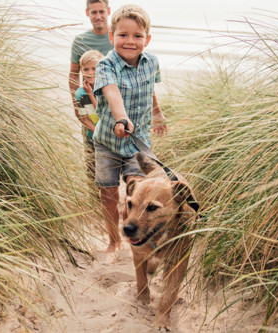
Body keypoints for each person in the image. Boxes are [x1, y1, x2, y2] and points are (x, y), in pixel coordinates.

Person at [92, 4, 167, 252]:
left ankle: (137, 229)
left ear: (147, 39)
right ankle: (113, 241)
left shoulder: (152, 62)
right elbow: (112, 92)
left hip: (139, 140)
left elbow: (150, 90)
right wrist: (121, 118)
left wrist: (157, 113)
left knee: (139, 187)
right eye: (123, 35)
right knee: (109, 192)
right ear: (112, 36)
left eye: (137, 36)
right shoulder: (105, 65)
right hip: (108, 141)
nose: (130, 41)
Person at [69, 0, 113, 185]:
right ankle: (95, 203)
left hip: (112, 106)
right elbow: (73, 74)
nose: (98, 16)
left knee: (115, 161)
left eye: (101, 11)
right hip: (87, 103)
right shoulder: (80, 41)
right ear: (87, 13)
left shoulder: (116, 37)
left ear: (108, 11)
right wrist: (77, 106)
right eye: (93, 12)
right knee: (92, 159)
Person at [75, 49, 104, 181]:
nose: (90, 72)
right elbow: (84, 118)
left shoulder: (106, 88)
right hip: (92, 135)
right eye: (86, 69)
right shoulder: (81, 93)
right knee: (92, 168)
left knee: (107, 169)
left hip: (108, 134)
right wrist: (95, 132)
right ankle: (94, 199)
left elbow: (103, 112)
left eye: (94, 68)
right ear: (81, 70)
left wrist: (91, 94)